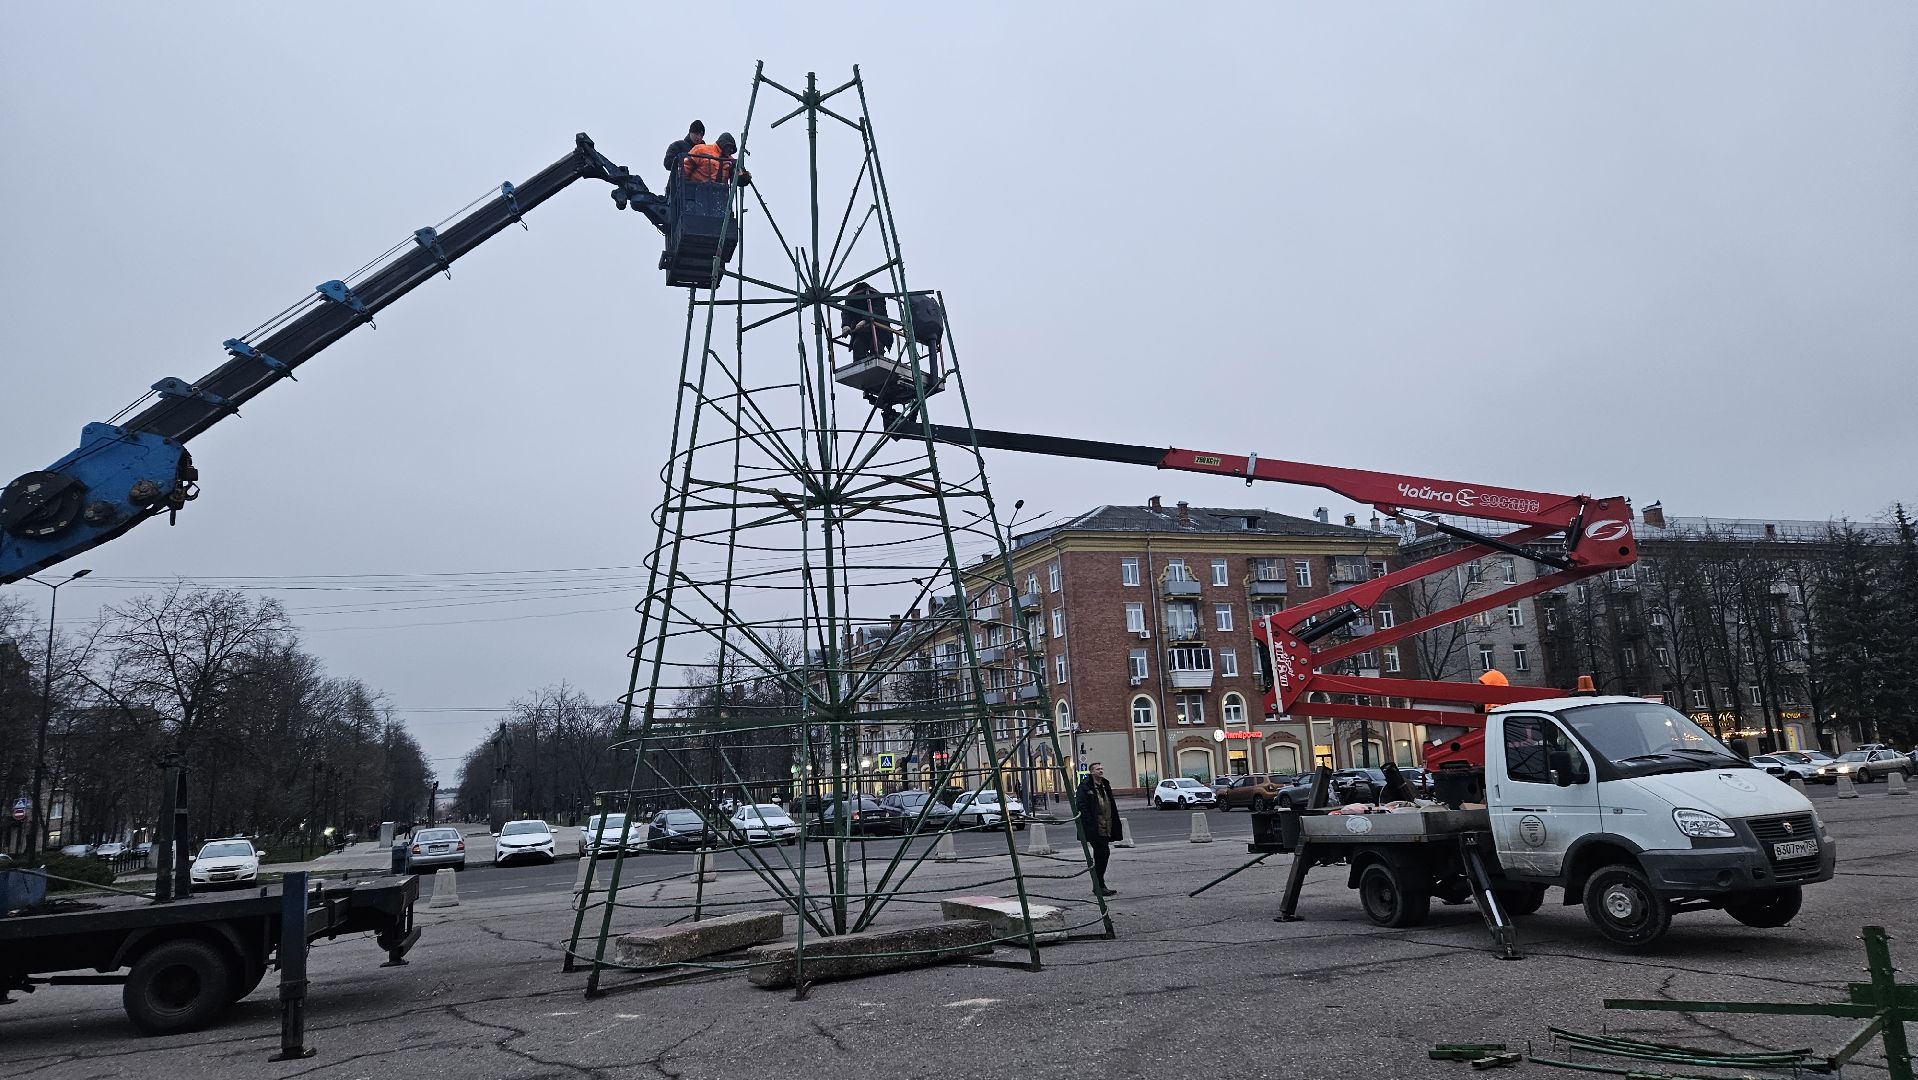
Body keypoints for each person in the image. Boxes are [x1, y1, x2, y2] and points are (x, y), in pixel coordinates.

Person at [1075, 762, 1122, 897]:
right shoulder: (1085, 787)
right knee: (1103, 853)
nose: (1101, 771)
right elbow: (1082, 807)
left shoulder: (1105, 786)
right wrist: (1090, 825)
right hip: (1095, 828)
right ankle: (1099, 885)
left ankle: (1099, 885)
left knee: (1101, 855)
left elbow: (1111, 806)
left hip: (1106, 826)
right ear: (1091, 772)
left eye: (1102, 768)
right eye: (1097, 769)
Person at [841, 281, 893, 362]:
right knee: (858, 346)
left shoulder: (876, 296)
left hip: (879, 330)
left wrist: (865, 320)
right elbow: (846, 312)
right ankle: (860, 364)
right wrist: (845, 325)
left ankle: (877, 360)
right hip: (861, 331)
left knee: (876, 347)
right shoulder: (852, 298)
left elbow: (877, 310)